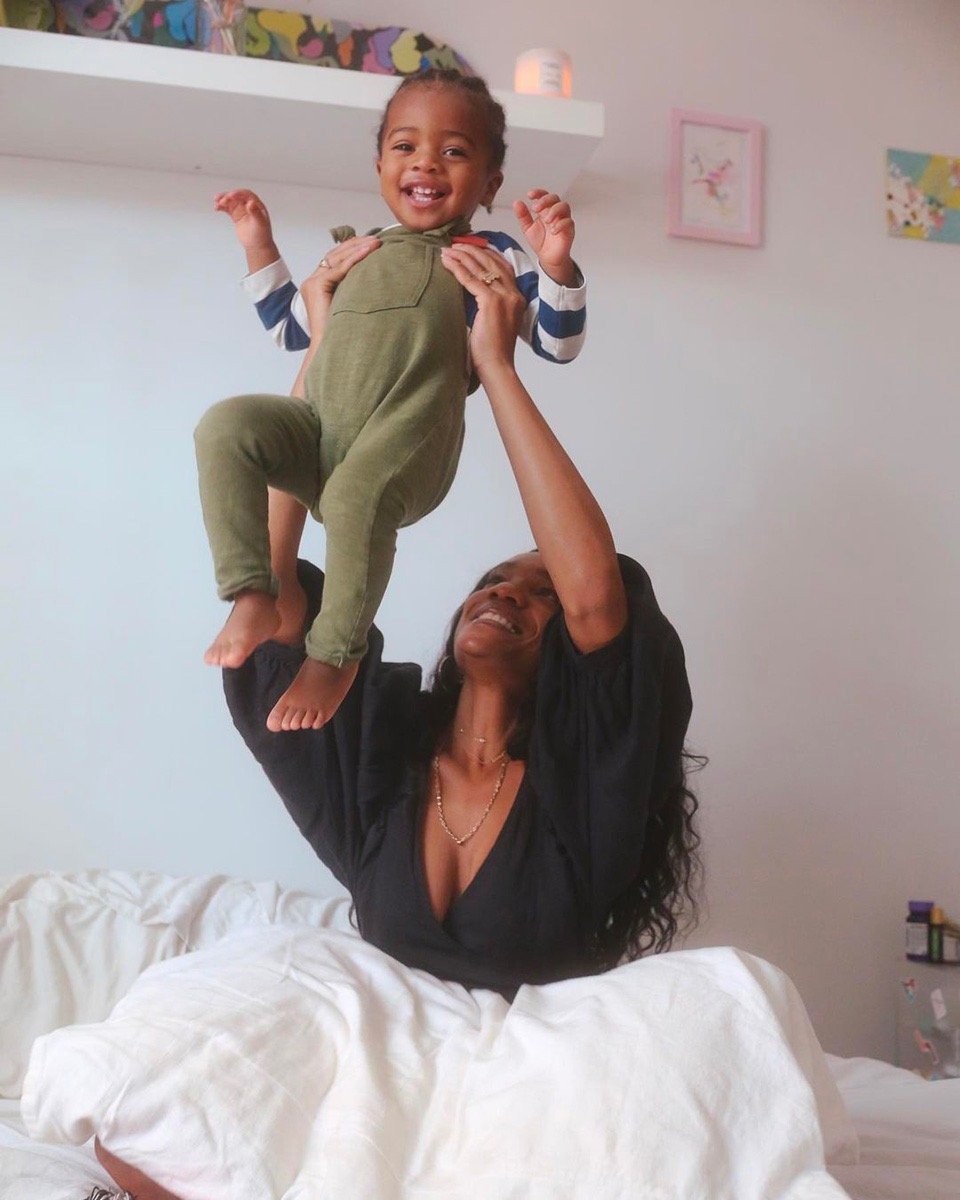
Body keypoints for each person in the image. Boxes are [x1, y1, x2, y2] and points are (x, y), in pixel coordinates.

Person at [89, 222, 701, 1200]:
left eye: (537, 593)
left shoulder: (592, 782)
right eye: (497, 578)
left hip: (531, 1080)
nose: (510, 593)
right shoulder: (386, 749)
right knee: (135, 1111)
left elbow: (597, 601)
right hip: (377, 1057)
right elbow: (282, 602)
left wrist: (496, 368)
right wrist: (325, 368)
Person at [194, 69, 587, 734]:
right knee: (226, 425)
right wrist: (260, 243)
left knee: (354, 497)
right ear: (380, 164)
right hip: (320, 432)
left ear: (490, 183)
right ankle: (254, 591)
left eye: (455, 151)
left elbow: (557, 341)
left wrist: (555, 267)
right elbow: (293, 326)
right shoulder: (360, 249)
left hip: (409, 442)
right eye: (405, 147)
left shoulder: (489, 253)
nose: (427, 162)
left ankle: (335, 656)